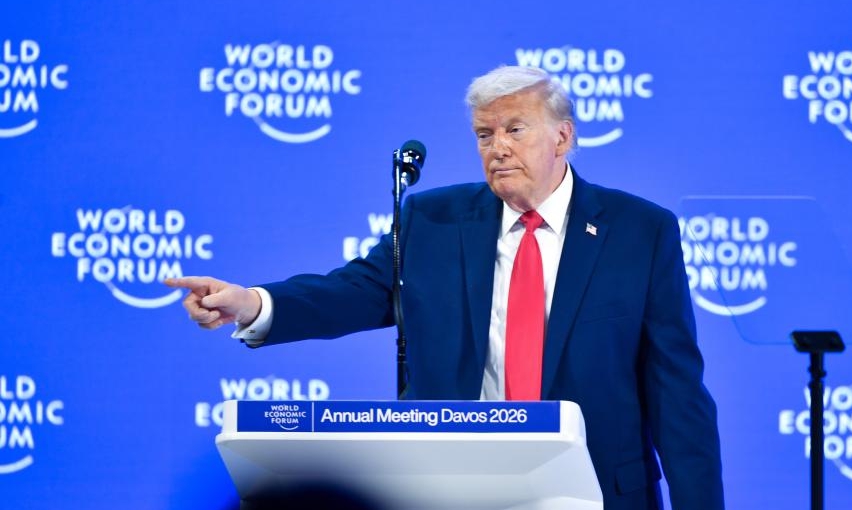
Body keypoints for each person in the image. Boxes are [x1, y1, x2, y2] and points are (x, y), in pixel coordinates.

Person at [168, 65, 724, 510]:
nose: (497, 147)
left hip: (596, 490)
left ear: (563, 136)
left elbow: (676, 390)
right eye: (484, 134)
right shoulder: (432, 220)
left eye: (514, 129)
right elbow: (356, 290)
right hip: (458, 485)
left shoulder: (639, 231)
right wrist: (252, 303)